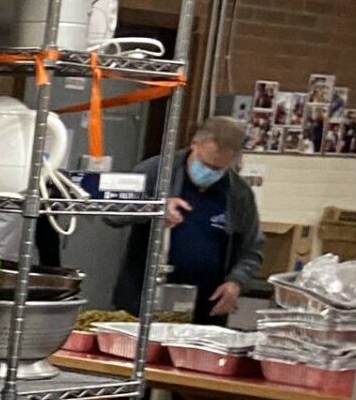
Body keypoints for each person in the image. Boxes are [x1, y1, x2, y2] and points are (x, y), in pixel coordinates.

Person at [113, 116, 264, 322]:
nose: (210, 172)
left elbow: (252, 249)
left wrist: (236, 283)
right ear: (194, 144)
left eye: (219, 169)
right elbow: (112, 214)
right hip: (142, 302)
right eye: (205, 164)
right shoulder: (155, 172)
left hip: (206, 310)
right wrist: (153, 208)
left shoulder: (239, 194)